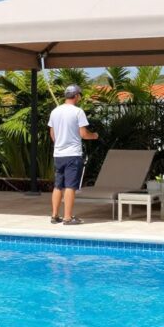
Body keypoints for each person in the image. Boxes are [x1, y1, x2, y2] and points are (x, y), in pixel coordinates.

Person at [48, 85, 99, 225]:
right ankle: (68, 218)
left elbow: (52, 134)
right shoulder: (78, 112)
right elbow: (83, 134)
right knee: (70, 186)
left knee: (58, 185)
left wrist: (60, 144)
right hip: (72, 154)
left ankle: (54, 216)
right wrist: (94, 136)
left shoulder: (54, 112)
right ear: (76, 96)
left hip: (58, 154)